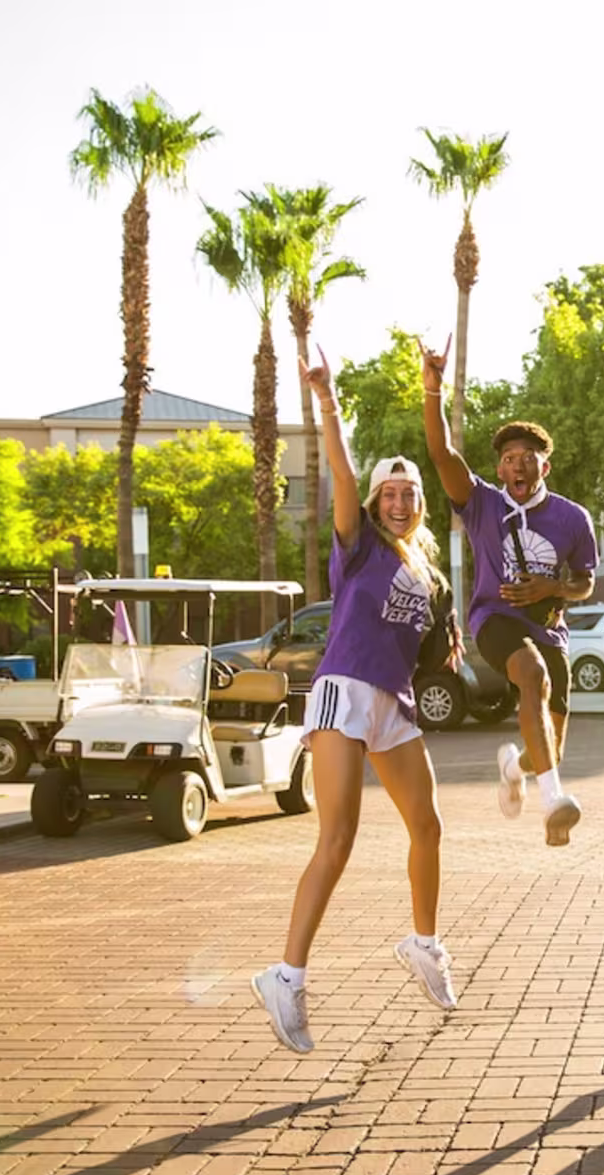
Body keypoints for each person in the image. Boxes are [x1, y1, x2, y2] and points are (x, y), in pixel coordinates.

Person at [252, 346, 459, 1054]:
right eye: (389, 495)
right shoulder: (359, 546)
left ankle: (424, 944)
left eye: (410, 495)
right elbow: (340, 469)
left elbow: (431, 638)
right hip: (343, 693)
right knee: (336, 839)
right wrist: (326, 398)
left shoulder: (429, 573)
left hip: (393, 706)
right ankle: (286, 976)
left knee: (427, 828)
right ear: (375, 504)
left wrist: (453, 637)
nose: (399, 503)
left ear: (421, 506)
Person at [421, 339, 599, 845]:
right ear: (499, 469)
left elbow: (585, 582)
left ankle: (515, 766)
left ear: (546, 466)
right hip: (494, 618)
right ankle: (553, 802)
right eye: (508, 459)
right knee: (531, 676)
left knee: (550, 745)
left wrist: (555, 587)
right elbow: (440, 452)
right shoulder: (480, 503)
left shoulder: (572, 518)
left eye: (528, 458)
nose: (517, 466)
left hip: (549, 628)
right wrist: (432, 390)